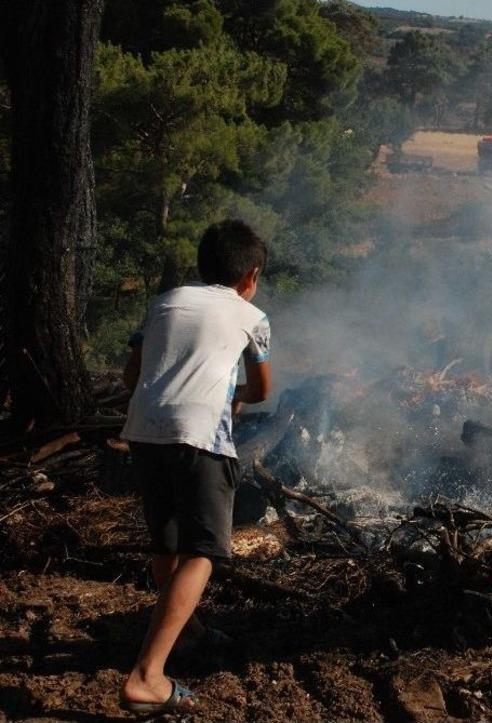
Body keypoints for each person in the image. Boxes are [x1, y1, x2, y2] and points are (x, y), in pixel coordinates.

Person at [118, 220, 272, 713]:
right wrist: (232, 395)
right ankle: (148, 675)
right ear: (250, 276)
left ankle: (187, 632)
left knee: (166, 542)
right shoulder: (252, 316)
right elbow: (261, 390)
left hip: (144, 431)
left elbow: (131, 375)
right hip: (201, 435)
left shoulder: (163, 302)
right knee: (202, 552)